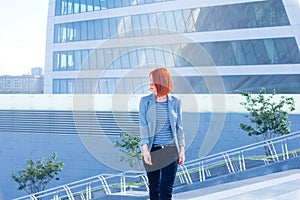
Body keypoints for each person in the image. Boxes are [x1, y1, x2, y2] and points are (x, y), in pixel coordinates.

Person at [139, 67, 185, 200]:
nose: (150, 85)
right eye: (150, 82)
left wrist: (182, 151)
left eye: (152, 82)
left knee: (166, 190)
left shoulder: (175, 101)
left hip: (171, 151)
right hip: (152, 150)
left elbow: (179, 127)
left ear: (161, 82)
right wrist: (145, 151)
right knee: (154, 190)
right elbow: (143, 127)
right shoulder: (145, 101)